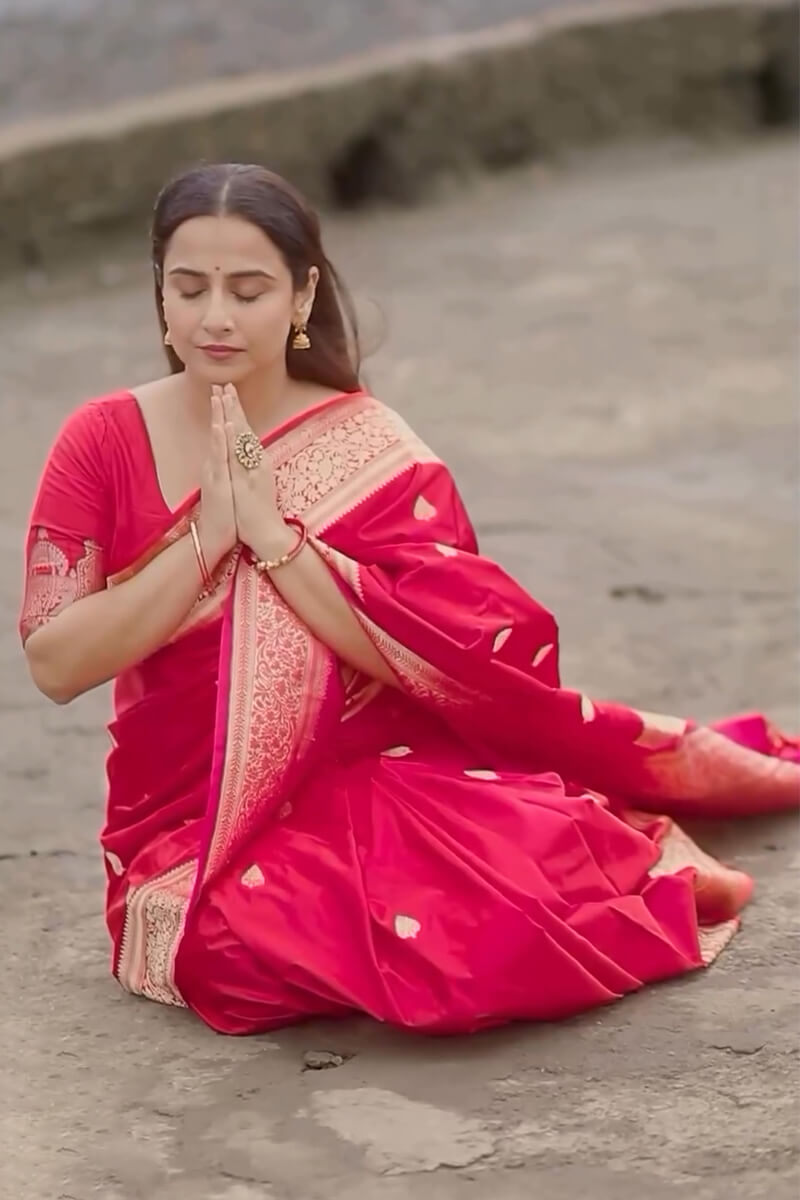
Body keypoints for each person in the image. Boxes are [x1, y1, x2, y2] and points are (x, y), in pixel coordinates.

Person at [19, 163, 799, 1036]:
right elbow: (55, 662)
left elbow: (445, 653)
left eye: (248, 290)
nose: (216, 318)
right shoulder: (99, 441)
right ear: (158, 294)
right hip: (186, 825)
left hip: (362, 770)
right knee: (234, 954)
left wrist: (277, 541)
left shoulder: (368, 445)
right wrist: (211, 535)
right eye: (189, 287)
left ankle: (620, 857)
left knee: (490, 931)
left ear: (302, 294)